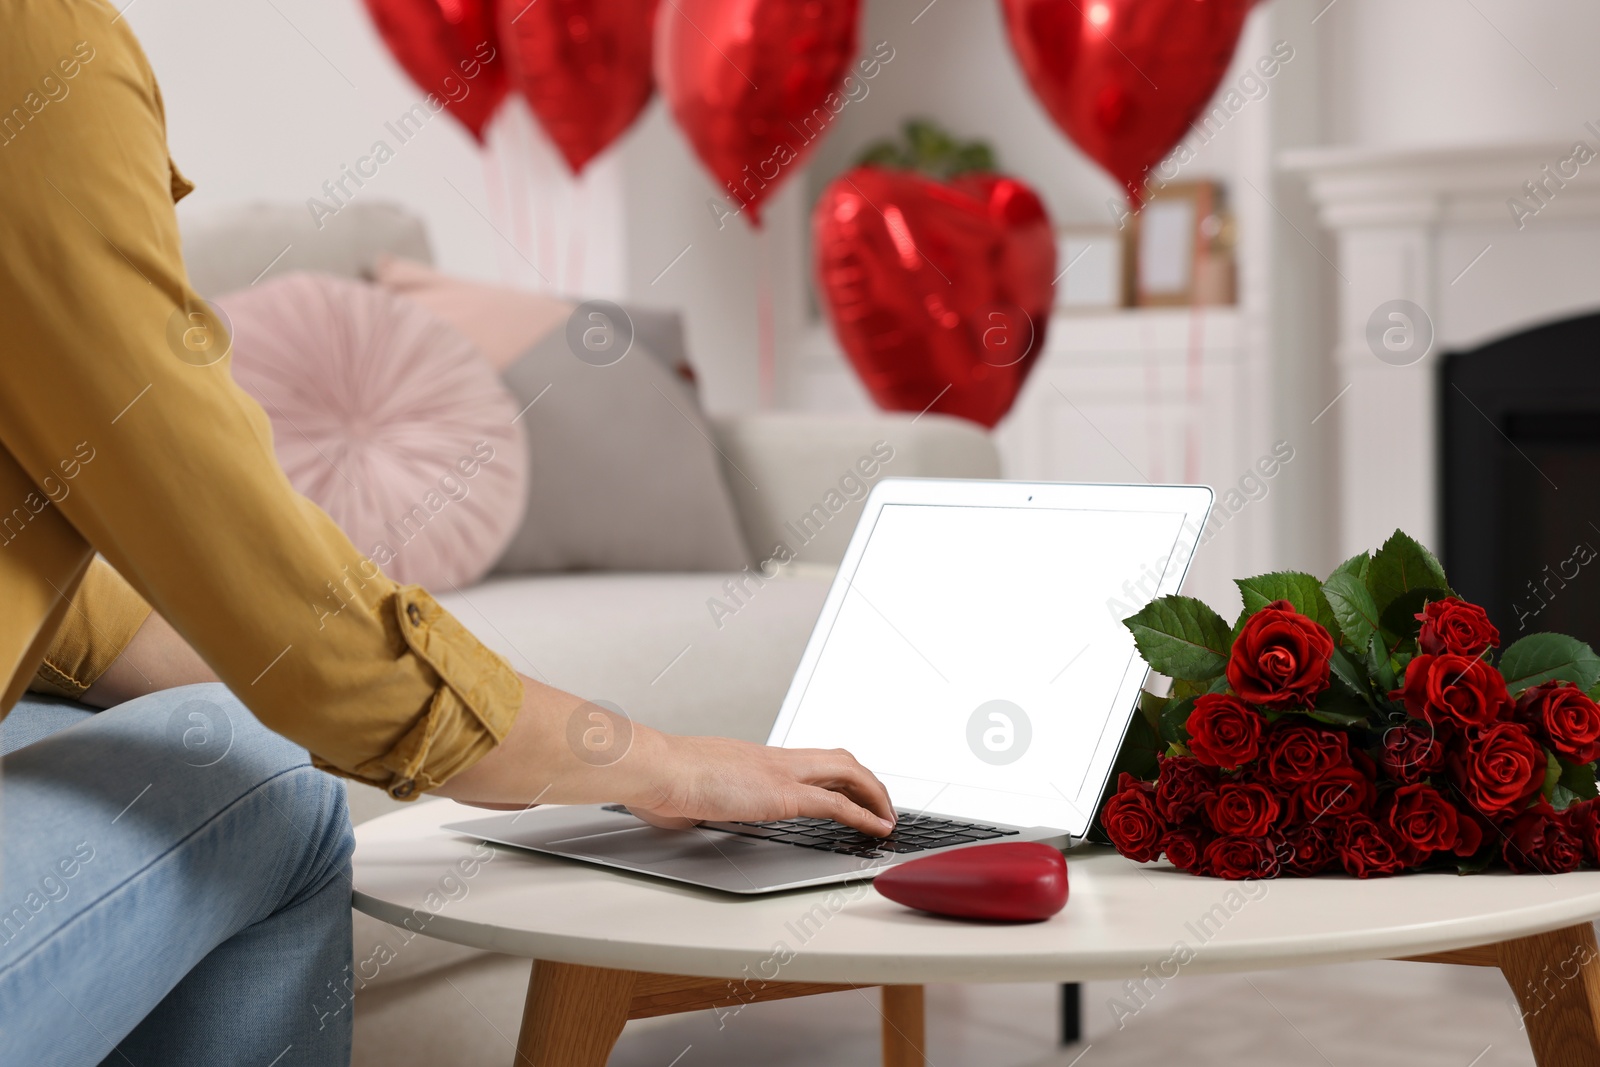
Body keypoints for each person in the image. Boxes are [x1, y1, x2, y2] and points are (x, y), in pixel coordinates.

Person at [0, 2, 895, 1063]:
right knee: (269, 781)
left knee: (186, 727)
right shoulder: (34, 44)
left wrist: (573, 742)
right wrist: (650, 759)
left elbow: (100, 618)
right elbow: (277, 599)